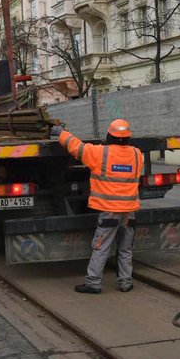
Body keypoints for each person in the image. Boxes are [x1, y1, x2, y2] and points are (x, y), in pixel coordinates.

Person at [51, 118, 143, 294]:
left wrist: (60, 133)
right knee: (125, 247)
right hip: (129, 211)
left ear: (110, 136)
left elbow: (76, 147)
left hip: (109, 212)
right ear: (128, 137)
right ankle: (125, 282)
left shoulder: (100, 153)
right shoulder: (137, 154)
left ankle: (93, 283)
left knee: (101, 247)